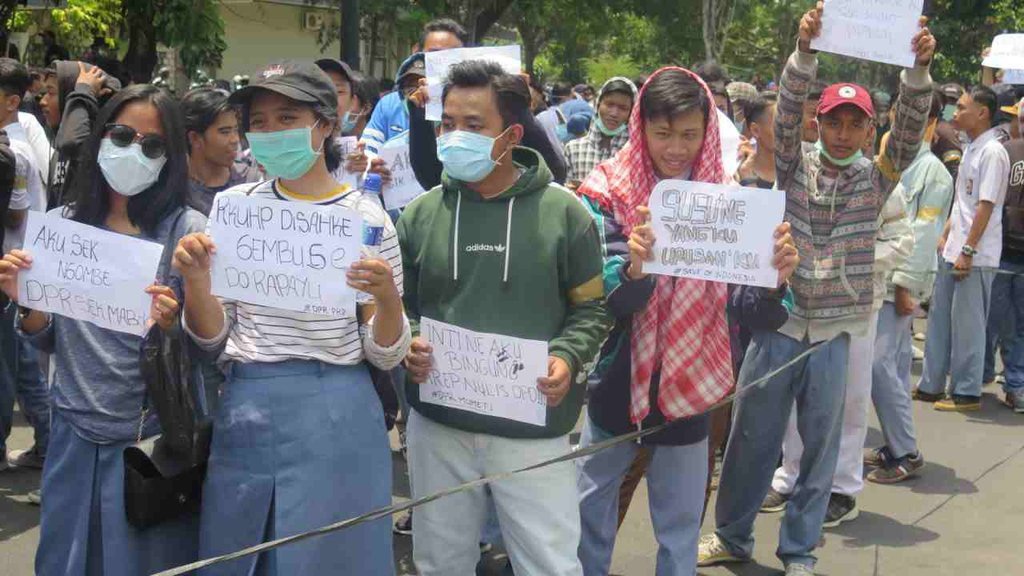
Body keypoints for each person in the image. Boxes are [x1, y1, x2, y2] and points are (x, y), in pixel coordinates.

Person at [698, 4, 934, 575]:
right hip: (779, 326)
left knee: (820, 451)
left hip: (835, 336)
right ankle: (731, 535)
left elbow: (907, 132)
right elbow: (783, 117)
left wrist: (918, 71)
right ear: (817, 124)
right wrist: (804, 53)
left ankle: (800, 550)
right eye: (833, 122)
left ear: (870, 130)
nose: (843, 134)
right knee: (752, 441)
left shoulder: (877, 178)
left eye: (855, 124)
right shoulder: (794, 166)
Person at [175, 61, 410, 575]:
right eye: (258, 122)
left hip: (339, 412)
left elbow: (385, 351)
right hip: (248, 406)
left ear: (325, 125)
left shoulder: (367, 220)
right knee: (242, 551)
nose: (270, 132)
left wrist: (388, 299)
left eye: (287, 118)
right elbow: (212, 337)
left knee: (334, 558)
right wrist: (195, 280)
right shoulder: (234, 209)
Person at [574, 66, 798, 576]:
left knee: (679, 525)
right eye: (663, 133)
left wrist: (773, 281)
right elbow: (606, 298)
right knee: (590, 511)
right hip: (615, 380)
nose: (676, 148)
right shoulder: (604, 192)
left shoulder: (729, 202)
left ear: (708, 131)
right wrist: (633, 270)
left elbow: (752, 311)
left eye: (690, 134)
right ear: (640, 129)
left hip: (694, 385)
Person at [398, 60, 609, 576]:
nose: (455, 137)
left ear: (511, 135)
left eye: (474, 125)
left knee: (548, 564)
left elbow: (591, 309)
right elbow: (402, 307)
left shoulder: (566, 214)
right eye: (448, 124)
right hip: (439, 424)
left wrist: (566, 357)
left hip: (532, 427)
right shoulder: (420, 214)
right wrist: (412, 341)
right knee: (439, 562)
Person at [0, 83, 204, 575]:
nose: (134, 151)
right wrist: (27, 302)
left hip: (148, 441)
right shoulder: (63, 224)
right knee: (64, 562)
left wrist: (173, 322)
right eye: (122, 135)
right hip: (72, 431)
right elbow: (46, 335)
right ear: (100, 138)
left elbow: (208, 345)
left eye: (152, 145)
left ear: (170, 158)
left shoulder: (186, 230)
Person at [764, 169, 915, 526]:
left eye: (852, 133)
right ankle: (791, 476)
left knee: (850, 397)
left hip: (856, 305)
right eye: (832, 132)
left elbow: (903, 241)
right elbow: (768, 224)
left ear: (866, 138)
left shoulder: (881, 181)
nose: (841, 139)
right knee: (797, 393)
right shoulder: (796, 174)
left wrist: (848, 259)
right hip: (801, 303)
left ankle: (842, 489)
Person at [864, 90, 955, 483]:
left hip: (896, 286)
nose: (904, 122)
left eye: (916, 117)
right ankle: (896, 442)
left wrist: (905, 287)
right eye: (898, 113)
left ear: (931, 122)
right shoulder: (885, 163)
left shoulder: (934, 173)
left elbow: (924, 233)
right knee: (895, 369)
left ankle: (906, 452)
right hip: (873, 281)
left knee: (879, 366)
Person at [914, 85, 1011, 412]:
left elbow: (986, 205)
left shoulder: (993, 152)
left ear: (982, 113)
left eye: (962, 108)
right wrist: (947, 233)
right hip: (954, 247)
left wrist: (968, 250)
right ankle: (931, 384)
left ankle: (966, 391)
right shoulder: (971, 147)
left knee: (968, 325)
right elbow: (962, 203)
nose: (955, 113)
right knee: (940, 318)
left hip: (975, 254)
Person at [0, 57, 49, 473]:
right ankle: (47, 440)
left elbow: (16, 215)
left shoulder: (14, 151)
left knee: (12, 363)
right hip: (16, 267)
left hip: (13, 267)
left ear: (11, 101)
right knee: (21, 362)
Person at [362, 18, 467, 156]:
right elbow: (368, 152)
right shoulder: (388, 104)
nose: (442, 60)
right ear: (417, 51)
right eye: (434, 53)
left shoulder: (473, 104)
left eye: (451, 55)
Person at [982, 98, 1024, 412]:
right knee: (1006, 322)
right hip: (1003, 250)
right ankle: (1007, 380)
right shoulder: (1005, 152)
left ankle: (1011, 381)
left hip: (1005, 250)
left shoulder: (1005, 151)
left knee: (1003, 321)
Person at [46, 60, 121, 209]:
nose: (43, 101)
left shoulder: (99, 148)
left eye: (51, 93)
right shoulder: (59, 151)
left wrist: (82, 91)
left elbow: (71, 142)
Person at [180, 87, 258, 215]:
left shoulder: (252, 183)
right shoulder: (173, 192)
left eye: (236, 130)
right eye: (225, 132)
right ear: (195, 138)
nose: (235, 140)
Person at [563, 78, 636, 189]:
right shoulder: (573, 149)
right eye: (609, 104)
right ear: (598, 105)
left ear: (631, 113)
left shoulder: (635, 155)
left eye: (623, 108)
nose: (614, 113)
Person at [735, 96, 777, 188]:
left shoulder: (804, 171)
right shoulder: (734, 174)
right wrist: (747, 180)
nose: (787, 131)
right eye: (778, 125)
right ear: (755, 130)